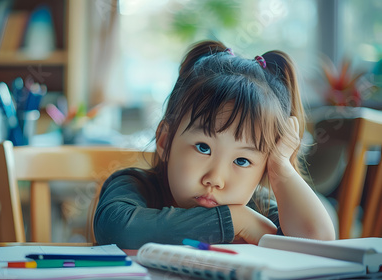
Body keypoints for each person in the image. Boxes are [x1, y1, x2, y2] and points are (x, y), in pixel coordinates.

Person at [93, 40, 335, 249]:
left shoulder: (257, 206)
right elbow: (117, 230)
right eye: (203, 147)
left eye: (242, 160)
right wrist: (235, 220)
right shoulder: (134, 186)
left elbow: (317, 243)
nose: (215, 179)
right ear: (165, 141)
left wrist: (281, 168)